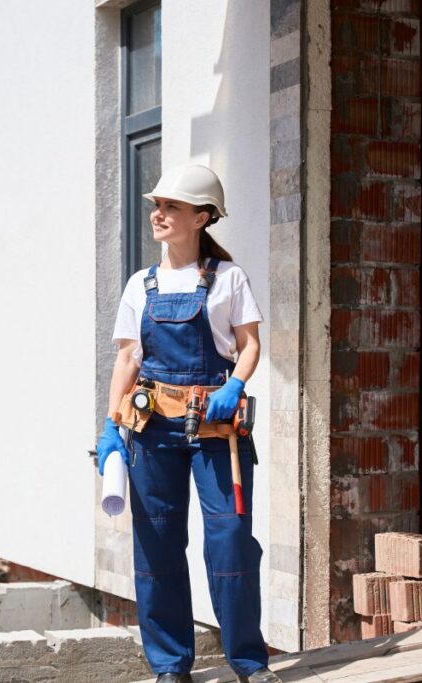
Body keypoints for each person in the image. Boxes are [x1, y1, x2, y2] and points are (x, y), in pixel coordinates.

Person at [97, 164, 280, 683]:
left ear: (202, 217)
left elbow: (249, 345)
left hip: (217, 432)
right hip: (152, 431)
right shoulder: (141, 284)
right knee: (156, 547)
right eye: (157, 205)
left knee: (230, 542)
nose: (158, 214)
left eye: (171, 206)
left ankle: (248, 662)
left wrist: (234, 386)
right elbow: (128, 359)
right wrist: (112, 425)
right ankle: (170, 668)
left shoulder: (228, 279)